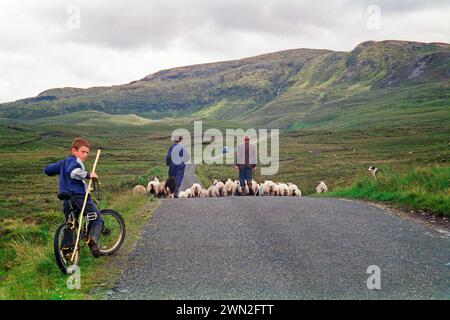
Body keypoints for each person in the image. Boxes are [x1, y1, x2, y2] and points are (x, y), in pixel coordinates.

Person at [44, 137, 104, 258]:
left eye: (87, 152)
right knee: (97, 218)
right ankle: (93, 241)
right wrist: (89, 174)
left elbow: (47, 170)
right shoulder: (76, 162)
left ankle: (67, 250)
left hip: (66, 198)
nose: (85, 155)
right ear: (74, 151)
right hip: (79, 197)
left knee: (70, 224)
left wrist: (59, 170)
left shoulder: (63, 163)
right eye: (83, 152)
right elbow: (73, 172)